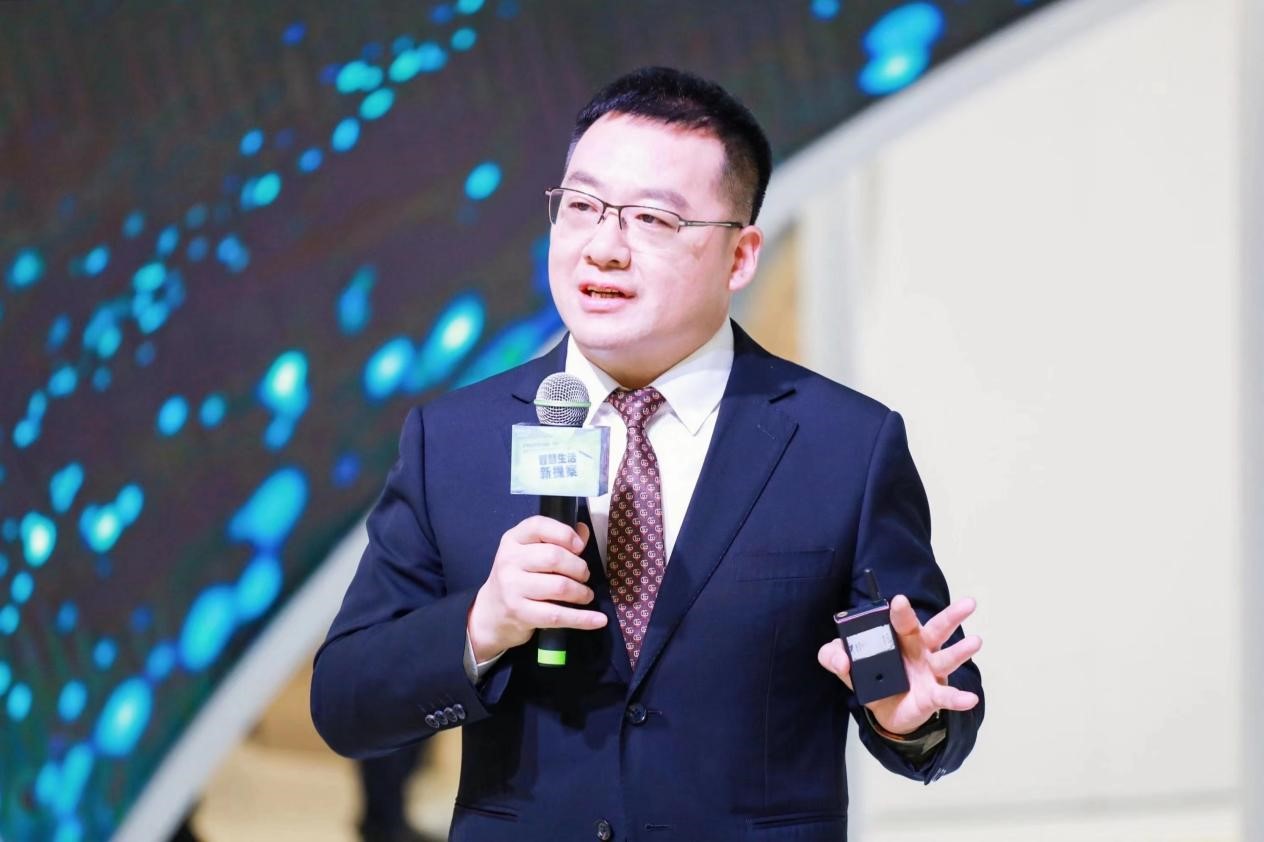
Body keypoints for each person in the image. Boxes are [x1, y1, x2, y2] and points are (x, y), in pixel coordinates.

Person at [311, 66, 984, 842]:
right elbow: (346, 700)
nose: (604, 248)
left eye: (653, 220)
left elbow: (931, 682)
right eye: (582, 206)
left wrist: (909, 721)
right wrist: (481, 624)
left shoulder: (843, 445)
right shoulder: (453, 441)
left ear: (740, 256)